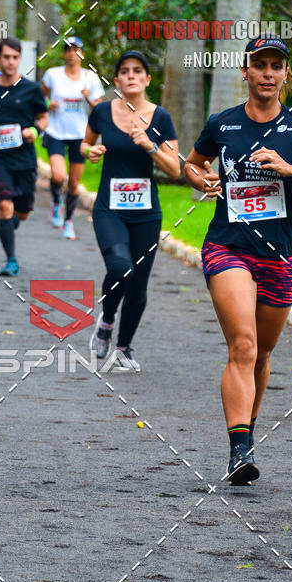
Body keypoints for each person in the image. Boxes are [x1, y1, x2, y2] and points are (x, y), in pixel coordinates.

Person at [184, 35, 292, 484]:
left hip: (281, 253)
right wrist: (203, 180)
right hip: (228, 245)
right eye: (260, 65)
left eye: (276, 66)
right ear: (245, 72)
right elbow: (191, 167)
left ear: (285, 74)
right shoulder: (223, 124)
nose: (268, 73)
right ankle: (238, 449)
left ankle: (246, 437)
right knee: (243, 345)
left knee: (263, 352)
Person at [83, 50, 179, 372]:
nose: (131, 76)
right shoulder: (101, 112)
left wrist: (150, 146)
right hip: (109, 208)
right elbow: (84, 144)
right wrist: (91, 151)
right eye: (125, 71)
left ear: (147, 79)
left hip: (146, 212)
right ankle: (107, 320)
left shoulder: (161, 118)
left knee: (138, 283)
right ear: (117, 80)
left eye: (138, 71)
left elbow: (175, 169)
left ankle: (123, 349)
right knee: (121, 266)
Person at [0, 37, 48, 276]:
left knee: (23, 211)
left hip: (25, 159)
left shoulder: (31, 89)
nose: (10, 62)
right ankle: (11, 260)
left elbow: (43, 117)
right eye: (6, 57)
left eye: (15, 57)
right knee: (4, 207)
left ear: (20, 59)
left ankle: (13, 221)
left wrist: (35, 130)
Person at [42, 37, 104, 238]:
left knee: (73, 184)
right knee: (59, 175)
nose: (72, 54)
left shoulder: (91, 78)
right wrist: (47, 104)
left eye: (76, 50)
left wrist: (87, 97)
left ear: (82, 54)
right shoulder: (53, 75)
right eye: (68, 49)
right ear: (64, 53)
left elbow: (100, 109)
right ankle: (56, 202)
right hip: (56, 132)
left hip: (80, 135)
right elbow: (41, 97)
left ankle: (68, 221)